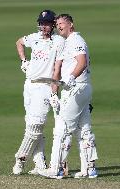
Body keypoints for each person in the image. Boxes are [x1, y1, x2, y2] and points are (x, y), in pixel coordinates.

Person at [39, 14, 98, 179]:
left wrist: (72, 77)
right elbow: (57, 71)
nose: (58, 26)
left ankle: (56, 169)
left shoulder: (76, 40)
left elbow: (82, 62)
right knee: (83, 129)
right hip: (78, 89)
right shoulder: (66, 43)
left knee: (62, 129)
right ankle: (90, 169)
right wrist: (53, 93)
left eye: (61, 23)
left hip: (76, 88)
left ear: (71, 24)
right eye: (57, 24)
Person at [12, 10, 65, 175]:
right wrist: (23, 61)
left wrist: (54, 91)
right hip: (29, 85)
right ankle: (40, 164)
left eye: (47, 23)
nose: (43, 26)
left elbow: (58, 68)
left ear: (53, 25)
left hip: (45, 86)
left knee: (36, 126)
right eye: (41, 23)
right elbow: (19, 42)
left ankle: (20, 158)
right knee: (32, 126)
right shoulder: (33, 37)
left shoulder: (58, 41)